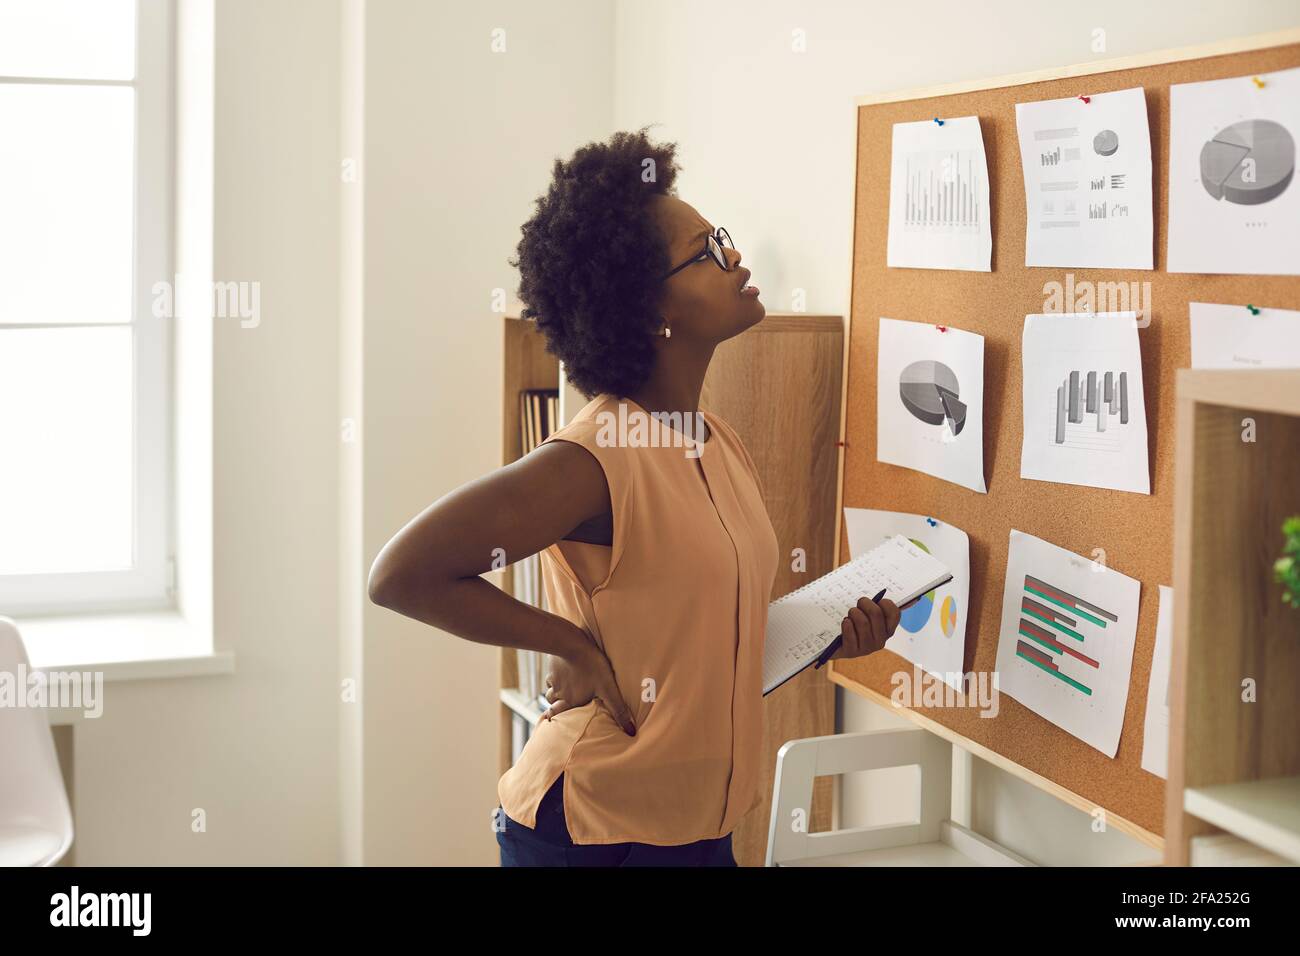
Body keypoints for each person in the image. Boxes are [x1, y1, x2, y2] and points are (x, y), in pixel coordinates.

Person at [367, 127, 902, 867]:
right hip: (595, 831)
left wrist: (828, 637)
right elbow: (401, 574)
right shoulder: (592, 459)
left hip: (702, 827)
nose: (735, 258)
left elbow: (706, 639)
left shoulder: (721, 442)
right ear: (650, 308)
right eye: (708, 251)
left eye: (724, 238)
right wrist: (569, 644)